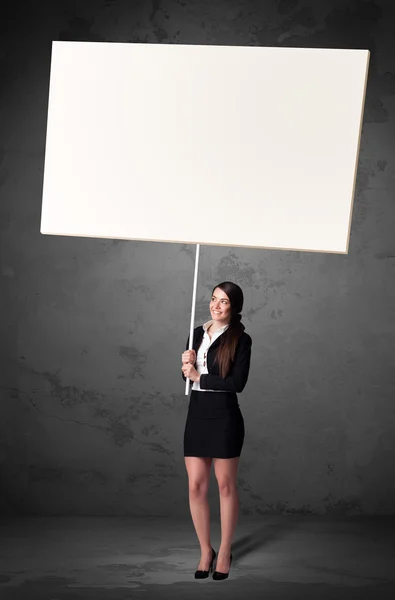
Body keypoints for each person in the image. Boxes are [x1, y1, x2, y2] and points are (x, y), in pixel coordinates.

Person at [181, 281, 252, 581]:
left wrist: (200, 375)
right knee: (196, 486)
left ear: (234, 307)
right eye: (213, 299)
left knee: (225, 486)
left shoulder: (241, 339)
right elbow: (188, 380)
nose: (216, 305)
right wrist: (185, 367)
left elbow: (237, 384)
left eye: (224, 302)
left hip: (224, 417)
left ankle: (224, 551)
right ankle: (205, 550)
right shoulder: (196, 333)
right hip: (197, 415)